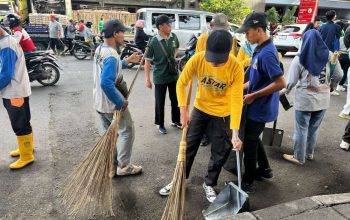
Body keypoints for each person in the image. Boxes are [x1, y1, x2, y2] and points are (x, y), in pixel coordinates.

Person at [159, 30, 244, 203]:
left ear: (228, 53)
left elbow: (236, 100)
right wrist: (183, 110)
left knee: (219, 151)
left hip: (223, 113)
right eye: (211, 59)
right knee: (188, 146)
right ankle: (179, 179)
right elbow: (181, 83)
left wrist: (235, 132)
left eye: (219, 61)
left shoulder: (235, 66)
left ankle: (209, 184)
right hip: (200, 108)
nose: (214, 64)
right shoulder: (198, 58)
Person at [235, 12, 286, 193]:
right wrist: (240, 87)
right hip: (256, 104)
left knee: (249, 142)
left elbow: (280, 83)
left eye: (247, 32)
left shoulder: (268, 54)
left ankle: (248, 180)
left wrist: (254, 96)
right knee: (253, 137)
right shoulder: (259, 49)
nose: (246, 36)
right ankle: (265, 169)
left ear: (259, 30)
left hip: (260, 107)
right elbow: (257, 79)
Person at [282, 29, 343, 165]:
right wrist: (332, 85)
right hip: (323, 99)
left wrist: (284, 91)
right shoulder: (330, 55)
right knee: (314, 128)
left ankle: (299, 157)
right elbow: (338, 74)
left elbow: (291, 81)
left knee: (301, 129)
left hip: (305, 100)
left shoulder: (300, 57)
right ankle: (309, 153)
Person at [93, 19, 142, 176]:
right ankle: (124, 166)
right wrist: (121, 102)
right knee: (127, 130)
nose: (124, 35)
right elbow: (106, 83)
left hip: (100, 103)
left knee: (110, 136)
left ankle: (111, 167)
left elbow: (112, 69)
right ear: (115, 34)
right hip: (111, 104)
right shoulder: (111, 55)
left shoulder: (101, 49)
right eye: (122, 32)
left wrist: (126, 61)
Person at [195, 13, 233, 146]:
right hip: (206, 81)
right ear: (211, 26)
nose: (223, 31)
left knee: (219, 113)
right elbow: (199, 60)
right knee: (204, 110)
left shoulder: (230, 39)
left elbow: (231, 59)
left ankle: (218, 136)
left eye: (224, 28)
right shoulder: (202, 39)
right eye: (219, 28)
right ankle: (205, 136)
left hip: (223, 82)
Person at [0, 25, 35, 169]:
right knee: (24, 120)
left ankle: (27, 156)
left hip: (14, 91)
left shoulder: (6, 45)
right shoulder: (8, 41)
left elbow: (6, 74)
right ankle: (27, 148)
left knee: (19, 124)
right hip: (18, 89)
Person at [144, 15, 181, 134]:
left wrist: (173, 58)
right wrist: (147, 79)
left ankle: (176, 120)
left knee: (175, 99)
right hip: (160, 77)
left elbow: (177, 48)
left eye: (171, 24)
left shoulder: (173, 37)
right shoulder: (154, 41)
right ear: (160, 26)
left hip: (173, 75)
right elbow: (147, 60)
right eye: (168, 24)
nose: (171, 26)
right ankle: (160, 124)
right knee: (160, 102)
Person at [336, 23, 350, 93]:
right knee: (345, 72)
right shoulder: (348, 39)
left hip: (339, 56)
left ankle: (334, 85)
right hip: (346, 56)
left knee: (338, 71)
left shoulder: (340, 38)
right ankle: (340, 85)